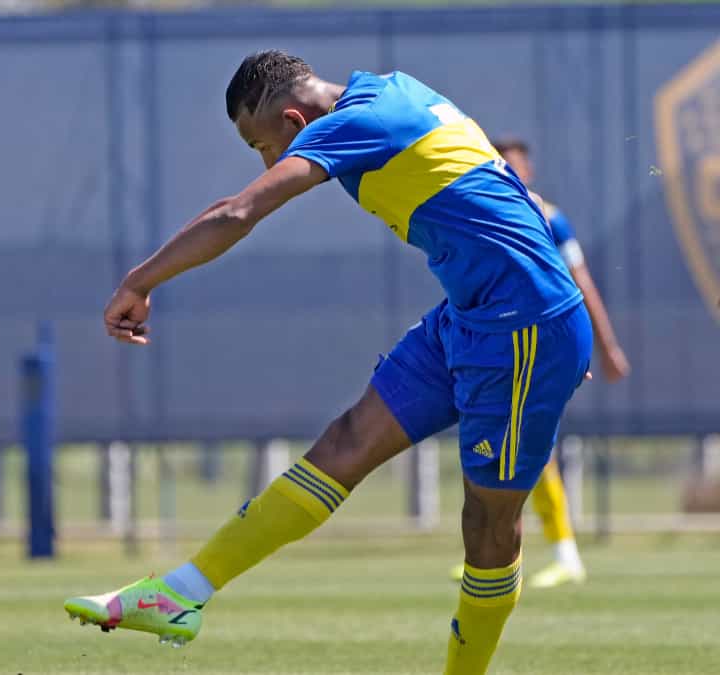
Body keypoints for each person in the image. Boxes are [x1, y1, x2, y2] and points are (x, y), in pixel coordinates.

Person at [64, 51, 592, 675]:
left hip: (521, 325)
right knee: (345, 442)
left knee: (488, 523)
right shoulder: (396, 90)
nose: (268, 162)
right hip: (472, 317)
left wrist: (140, 280)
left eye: (263, 146)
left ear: (293, 119)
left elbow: (238, 213)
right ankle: (181, 593)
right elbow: (504, 181)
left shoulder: (352, 123)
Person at [449, 138, 631, 589]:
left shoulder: (550, 219)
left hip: (544, 343)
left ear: (527, 172)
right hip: (498, 345)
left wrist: (605, 346)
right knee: (499, 446)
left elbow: (579, 280)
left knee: (530, 449)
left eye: (513, 166)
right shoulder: (482, 214)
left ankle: (560, 553)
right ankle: (507, 552)